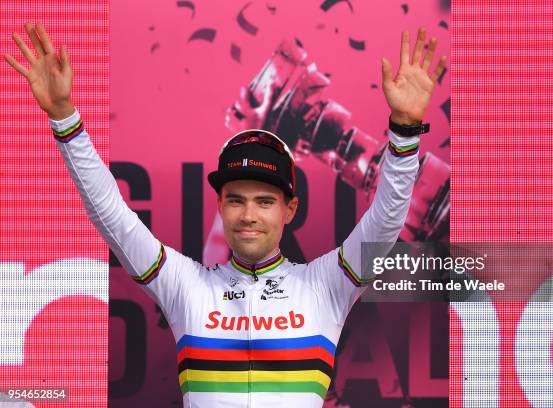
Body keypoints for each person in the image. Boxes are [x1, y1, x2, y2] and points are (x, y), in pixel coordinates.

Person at [5, 22, 446, 408]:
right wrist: (65, 118)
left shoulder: (325, 286)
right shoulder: (184, 285)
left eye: (265, 201)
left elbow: (386, 220)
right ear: (220, 205)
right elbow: (113, 217)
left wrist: (405, 131)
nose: (248, 215)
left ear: (290, 209)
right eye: (236, 199)